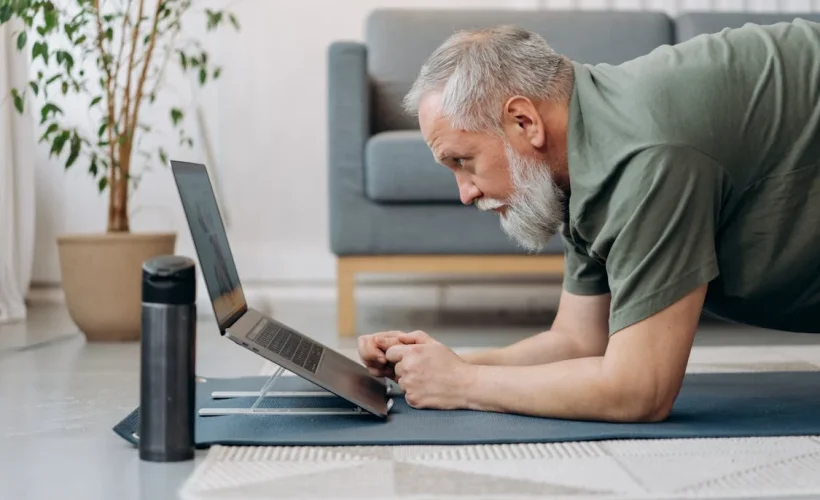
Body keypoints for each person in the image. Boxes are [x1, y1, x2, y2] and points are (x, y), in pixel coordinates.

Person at [356, 19, 820, 422]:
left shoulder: (642, 159)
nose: (465, 192)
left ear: (523, 122)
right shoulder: (576, 155)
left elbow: (641, 391)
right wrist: (442, 366)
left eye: (463, 161)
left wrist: (464, 386)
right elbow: (578, 341)